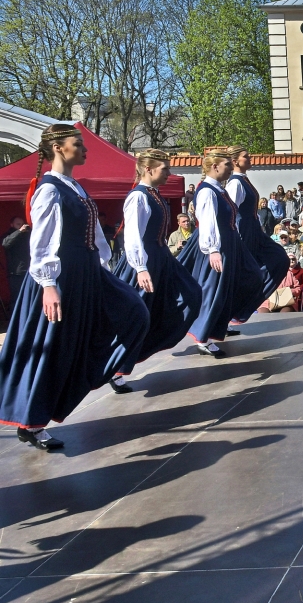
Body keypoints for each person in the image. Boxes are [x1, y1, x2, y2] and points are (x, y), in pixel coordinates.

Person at [0, 124, 149, 449]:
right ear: (58, 148)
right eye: (77, 143)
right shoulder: (49, 189)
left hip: (88, 271)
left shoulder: (74, 186)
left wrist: (103, 267)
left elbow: (94, 234)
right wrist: (49, 284)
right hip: (62, 276)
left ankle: (95, 373)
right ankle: (32, 422)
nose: (84, 149)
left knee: (134, 313)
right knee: (51, 346)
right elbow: (42, 242)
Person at [110, 149, 203, 393]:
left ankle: (146, 345)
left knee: (191, 294)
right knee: (136, 314)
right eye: (165, 169)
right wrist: (140, 268)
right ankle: (116, 367)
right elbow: (132, 236)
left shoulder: (155, 194)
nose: (169, 173)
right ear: (148, 169)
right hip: (144, 260)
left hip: (161, 257)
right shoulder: (138, 197)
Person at [177, 148, 264, 356]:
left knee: (250, 276)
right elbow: (207, 222)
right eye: (227, 165)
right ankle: (203, 336)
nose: (230, 168)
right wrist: (213, 250)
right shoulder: (207, 190)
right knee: (213, 289)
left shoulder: (219, 189)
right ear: (215, 166)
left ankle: (222, 321)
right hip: (218, 245)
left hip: (230, 243)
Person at [226, 148, 289, 324]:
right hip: (244, 232)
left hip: (255, 231)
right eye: (245, 156)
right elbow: (231, 212)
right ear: (235, 161)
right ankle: (229, 315)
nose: (250, 158)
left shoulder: (243, 180)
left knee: (279, 259)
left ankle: (242, 306)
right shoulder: (235, 183)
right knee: (243, 274)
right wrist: (235, 238)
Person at [3, 215, 31, 305]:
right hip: (16, 273)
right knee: (17, 298)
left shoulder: (28, 234)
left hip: (29, 271)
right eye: (18, 224)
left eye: (22, 224)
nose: (21, 226)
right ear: (12, 225)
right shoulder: (8, 235)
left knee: (29, 297)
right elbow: (5, 244)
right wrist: (19, 231)